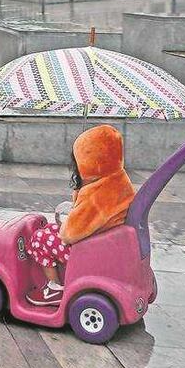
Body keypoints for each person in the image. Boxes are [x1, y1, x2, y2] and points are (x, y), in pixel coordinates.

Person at [25, 125, 134, 307]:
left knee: (39, 239)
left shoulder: (95, 195)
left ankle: (55, 288)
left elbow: (69, 235)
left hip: (90, 251)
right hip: (106, 243)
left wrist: (76, 204)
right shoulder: (118, 179)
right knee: (50, 230)